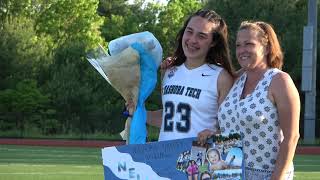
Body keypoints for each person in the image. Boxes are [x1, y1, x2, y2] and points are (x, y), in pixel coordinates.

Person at [217, 21, 300, 180]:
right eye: (238, 45)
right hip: (228, 172)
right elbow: (233, 127)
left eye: (249, 44)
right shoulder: (235, 80)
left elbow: (292, 136)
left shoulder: (280, 81)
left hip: (267, 175)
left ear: (266, 48)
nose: (242, 50)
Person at [144, 9, 234, 142]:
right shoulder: (169, 71)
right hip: (165, 158)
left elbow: (232, 128)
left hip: (199, 159)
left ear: (213, 42)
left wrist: (214, 135)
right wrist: (138, 113)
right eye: (189, 31)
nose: (192, 40)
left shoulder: (221, 77)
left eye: (201, 36)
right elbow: (171, 116)